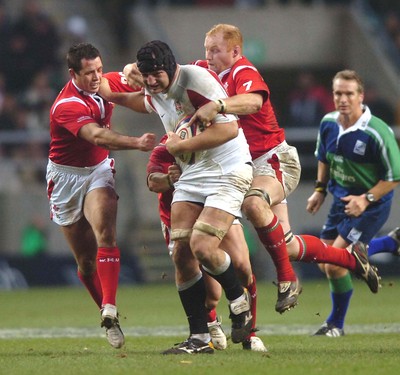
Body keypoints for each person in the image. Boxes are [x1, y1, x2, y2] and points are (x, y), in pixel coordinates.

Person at [122, 24, 381, 315]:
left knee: (254, 205)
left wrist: (219, 106)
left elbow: (253, 101)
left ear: (235, 52)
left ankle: (286, 281)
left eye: (216, 50)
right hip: (236, 167)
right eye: (206, 49)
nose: (208, 55)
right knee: (287, 245)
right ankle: (350, 259)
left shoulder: (242, 72)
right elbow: (166, 73)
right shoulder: (200, 73)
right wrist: (132, 68)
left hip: (271, 160)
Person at [101, 40, 254, 355]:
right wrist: (113, 89)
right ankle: (199, 338)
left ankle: (239, 300)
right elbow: (140, 100)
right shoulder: (153, 88)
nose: (152, 80)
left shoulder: (196, 81)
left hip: (227, 168)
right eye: (147, 75)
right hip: (193, 172)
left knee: (203, 246)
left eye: (156, 73)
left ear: (170, 66)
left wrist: (178, 147)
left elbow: (229, 129)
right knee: (181, 254)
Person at [45, 42, 156, 349]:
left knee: (106, 233)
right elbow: (96, 134)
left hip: (97, 171)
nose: (96, 77)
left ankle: (109, 304)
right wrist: (135, 142)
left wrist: (137, 72)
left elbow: (137, 81)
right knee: (85, 263)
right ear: (72, 74)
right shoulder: (66, 104)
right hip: (66, 178)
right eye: (88, 73)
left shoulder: (103, 81)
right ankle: (108, 315)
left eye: (98, 69)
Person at [146, 134, 267, 352]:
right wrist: (170, 179)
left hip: (217, 208)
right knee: (211, 295)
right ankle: (208, 325)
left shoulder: (218, 139)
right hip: (181, 220)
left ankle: (248, 334)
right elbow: (153, 182)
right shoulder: (167, 146)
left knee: (243, 267)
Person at [306, 69, 400, 337]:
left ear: (360, 96)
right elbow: (324, 156)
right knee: (326, 262)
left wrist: (366, 198)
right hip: (340, 199)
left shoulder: (377, 131)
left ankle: (335, 325)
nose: (343, 99)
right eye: (338, 93)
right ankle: (389, 243)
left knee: (336, 263)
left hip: (371, 202)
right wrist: (319, 190)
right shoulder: (328, 123)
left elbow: (395, 175)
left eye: (349, 93)